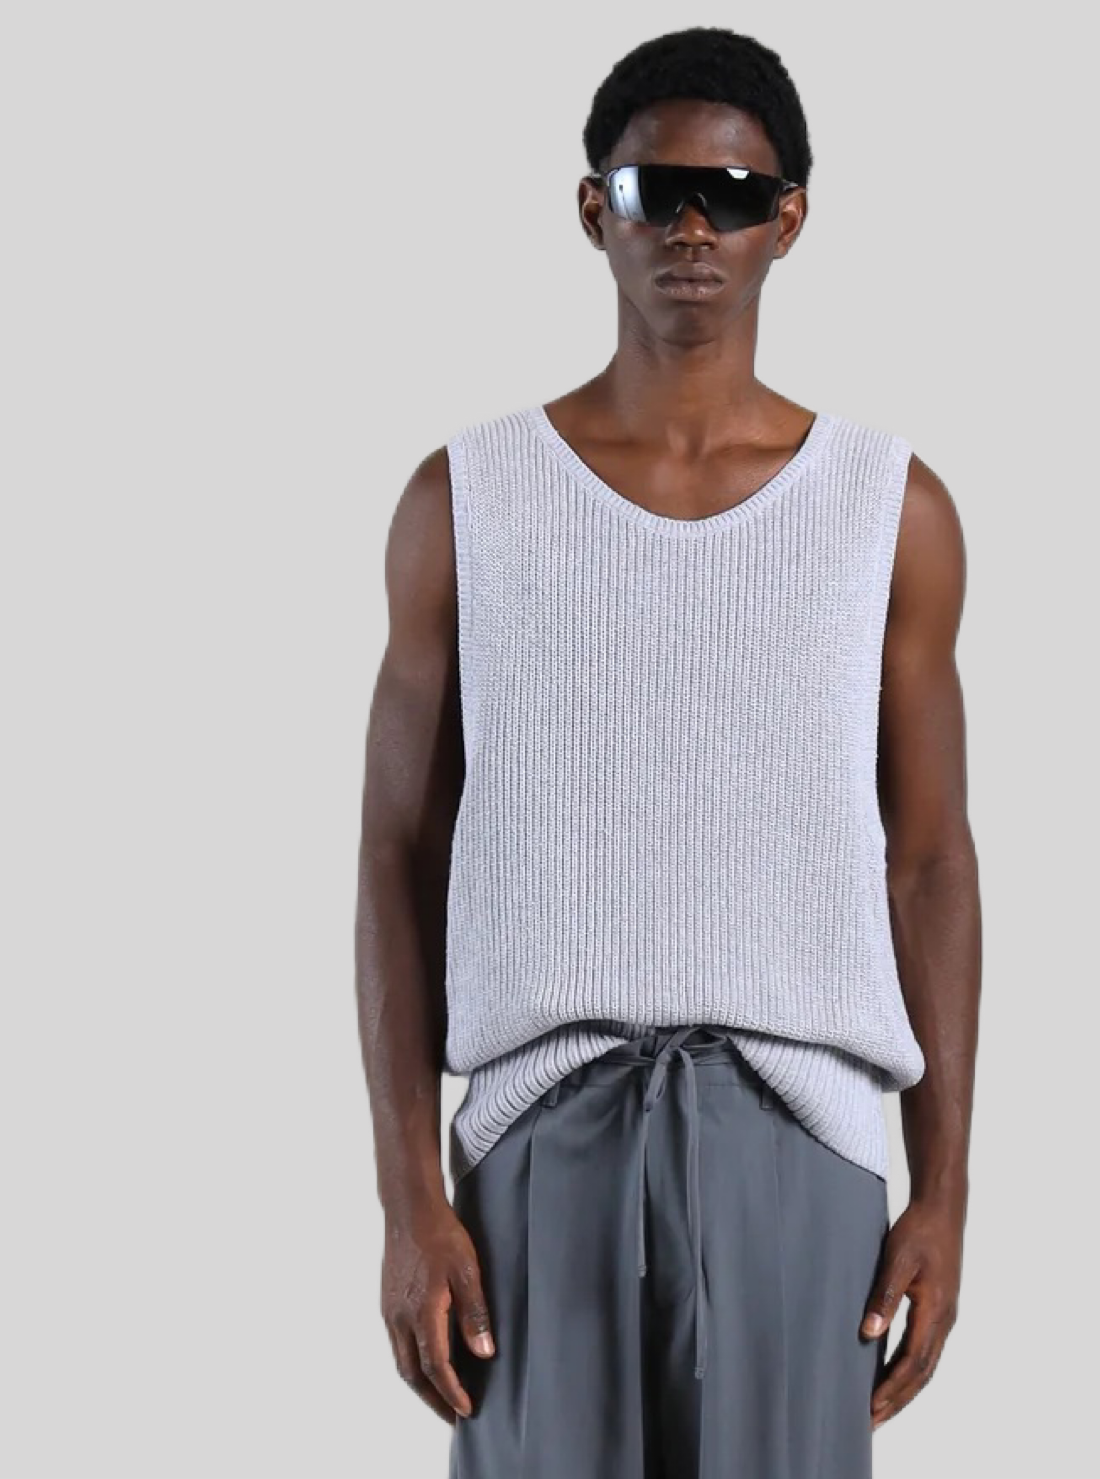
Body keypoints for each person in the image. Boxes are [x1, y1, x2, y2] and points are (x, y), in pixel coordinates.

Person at [354, 24, 981, 1478]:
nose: (695, 227)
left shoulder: (891, 511)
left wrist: (944, 1190)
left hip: (802, 1136)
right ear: (596, 210)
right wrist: (406, 1195)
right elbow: (398, 852)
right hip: (536, 1138)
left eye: (735, 195)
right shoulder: (467, 500)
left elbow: (930, 860)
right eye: (657, 192)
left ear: (788, 221)